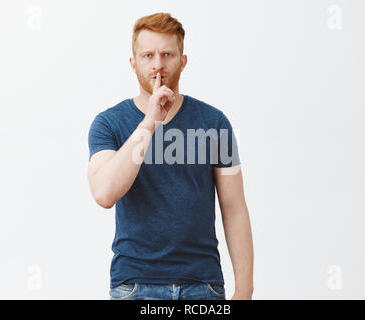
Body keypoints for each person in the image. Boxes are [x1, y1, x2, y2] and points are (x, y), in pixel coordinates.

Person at [87, 12, 254, 300]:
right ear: (133, 63)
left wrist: (245, 290)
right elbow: (104, 193)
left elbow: (234, 208)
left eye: (167, 54)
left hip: (203, 286)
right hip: (134, 286)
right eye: (148, 55)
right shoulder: (108, 124)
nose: (158, 65)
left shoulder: (215, 123)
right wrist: (150, 121)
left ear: (183, 60)